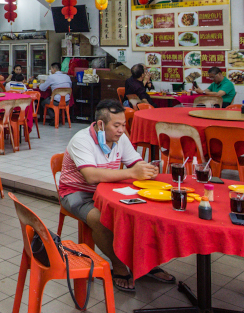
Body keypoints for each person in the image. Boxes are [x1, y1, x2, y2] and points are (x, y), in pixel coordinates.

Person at [56, 99, 173, 293]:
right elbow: (91, 176)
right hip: (77, 193)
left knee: (141, 213)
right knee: (102, 220)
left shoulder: (120, 138)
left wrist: (146, 169)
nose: (121, 130)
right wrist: (132, 173)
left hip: (107, 191)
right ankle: (118, 266)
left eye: (124, 125)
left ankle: (143, 264)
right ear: (101, 124)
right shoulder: (81, 139)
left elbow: (135, 163)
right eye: (116, 125)